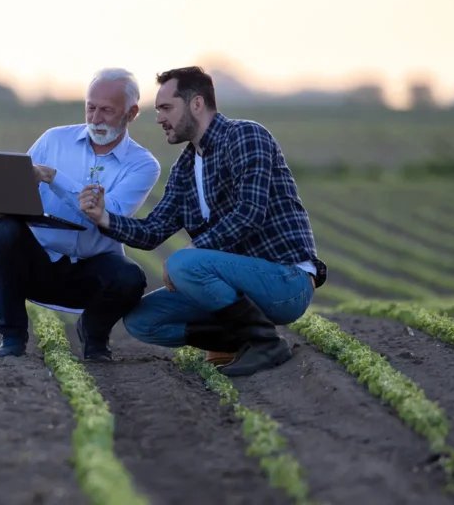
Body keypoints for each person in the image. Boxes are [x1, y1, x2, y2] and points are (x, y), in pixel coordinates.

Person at [78, 66, 327, 377]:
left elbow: (250, 213)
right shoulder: (185, 168)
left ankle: (265, 343)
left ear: (196, 104)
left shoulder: (246, 136)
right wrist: (104, 217)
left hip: (283, 280)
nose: (158, 119)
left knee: (185, 262)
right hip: (231, 286)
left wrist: (194, 251)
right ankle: (235, 342)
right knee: (142, 321)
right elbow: (152, 232)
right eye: (157, 110)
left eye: (166, 108)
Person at [0, 67, 161, 361]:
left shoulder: (143, 165)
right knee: (5, 231)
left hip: (90, 270)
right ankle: (12, 338)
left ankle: (95, 337)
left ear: (132, 113)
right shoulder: (53, 140)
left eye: (107, 111)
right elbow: (16, 186)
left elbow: (112, 215)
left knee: (130, 277)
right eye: (90, 108)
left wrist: (54, 177)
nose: (95, 119)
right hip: (39, 264)